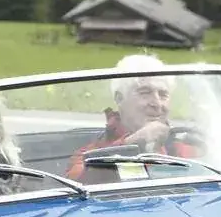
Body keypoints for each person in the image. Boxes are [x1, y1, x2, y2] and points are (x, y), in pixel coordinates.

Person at [65, 54, 204, 181]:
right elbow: (78, 185)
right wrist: (132, 144)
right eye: (145, 92)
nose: (157, 103)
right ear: (120, 98)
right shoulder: (90, 153)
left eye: (163, 95)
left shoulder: (182, 146)